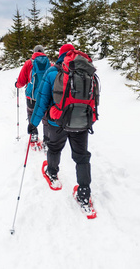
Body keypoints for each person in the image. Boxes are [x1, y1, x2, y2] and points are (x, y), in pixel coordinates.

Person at [27, 43, 94, 208]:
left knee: (55, 148)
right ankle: (84, 194)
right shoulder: (87, 71)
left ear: (61, 55)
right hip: (82, 121)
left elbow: (42, 100)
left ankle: (52, 173)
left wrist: (33, 123)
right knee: (81, 156)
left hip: (56, 122)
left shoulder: (52, 72)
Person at [15, 45, 51, 149]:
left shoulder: (28, 63)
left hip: (31, 97)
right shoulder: (49, 63)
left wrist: (17, 85)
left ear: (33, 52)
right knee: (45, 117)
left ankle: (34, 135)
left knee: (31, 113)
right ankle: (47, 140)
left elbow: (21, 81)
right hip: (45, 96)